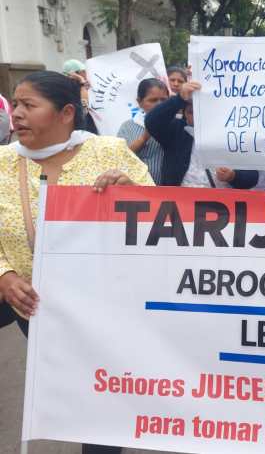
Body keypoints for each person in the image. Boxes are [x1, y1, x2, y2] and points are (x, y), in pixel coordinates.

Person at [0, 71, 153, 454]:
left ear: (66, 112)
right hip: (33, 307)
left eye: (28, 105)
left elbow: (160, 218)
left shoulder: (109, 151)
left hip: (106, 304)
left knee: (101, 398)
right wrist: (4, 275)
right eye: (15, 104)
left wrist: (131, 193)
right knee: (74, 386)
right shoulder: (2, 163)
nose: (16, 113)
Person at [145, 81, 258, 188]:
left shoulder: (233, 135)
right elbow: (151, 122)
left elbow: (252, 177)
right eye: (191, 112)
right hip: (180, 199)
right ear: (184, 113)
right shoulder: (175, 131)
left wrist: (233, 176)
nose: (197, 116)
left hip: (219, 200)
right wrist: (179, 99)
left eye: (201, 110)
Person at [117, 78, 169, 184]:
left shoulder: (177, 125)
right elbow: (120, 158)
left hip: (170, 190)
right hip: (136, 189)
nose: (159, 104)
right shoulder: (128, 127)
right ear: (139, 102)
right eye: (153, 100)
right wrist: (144, 137)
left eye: (164, 100)